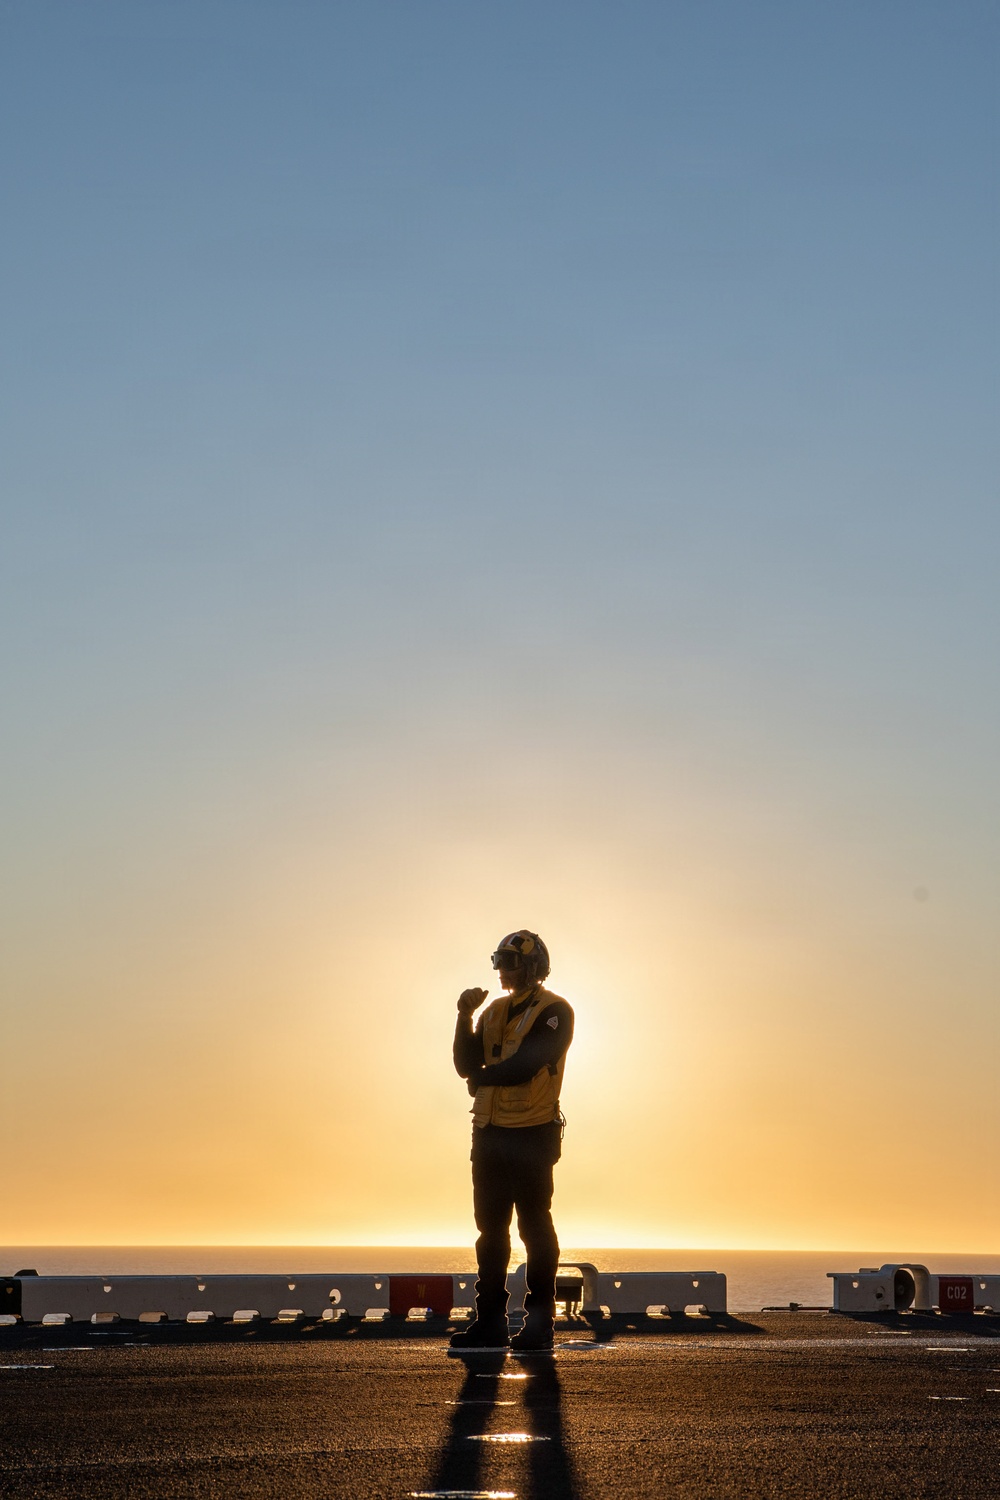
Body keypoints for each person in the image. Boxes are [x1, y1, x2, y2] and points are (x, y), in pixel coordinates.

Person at [450, 929, 574, 1351]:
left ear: (533, 966)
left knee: (534, 1226)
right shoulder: (492, 1012)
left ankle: (540, 1323)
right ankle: (490, 1322)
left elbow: (527, 1063)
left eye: (510, 961)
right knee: (490, 1230)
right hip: (488, 1132)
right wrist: (464, 1017)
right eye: (499, 961)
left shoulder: (555, 1011)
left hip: (532, 1133)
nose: (503, 970)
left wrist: (481, 1079)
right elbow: (466, 1064)